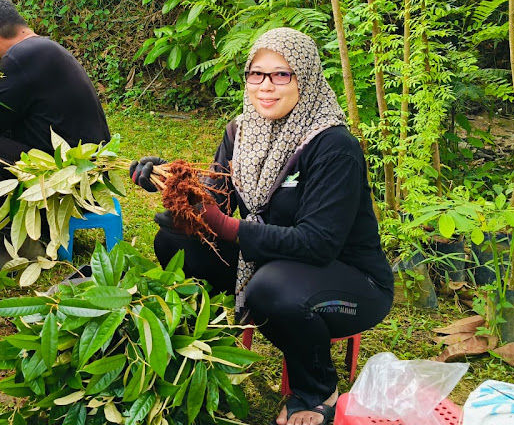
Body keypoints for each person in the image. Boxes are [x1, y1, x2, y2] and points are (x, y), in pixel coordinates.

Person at [130, 27, 393, 425]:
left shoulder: (333, 145)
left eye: (281, 74)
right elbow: (216, 197)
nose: (265, 87)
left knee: (271, 289)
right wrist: (169, 183)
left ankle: (317, 387)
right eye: (257, 74)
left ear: (305, 78)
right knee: (174, 241)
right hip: (272, 260)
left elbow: (318, 244)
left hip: (351, 281)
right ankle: (196, 347)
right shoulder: (241, 131)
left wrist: (225, 226)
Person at [0, 0, 110, 216]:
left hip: (74, 179)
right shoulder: (41, 48)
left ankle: (19, 230)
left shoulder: (20, 58)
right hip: (89, 167)